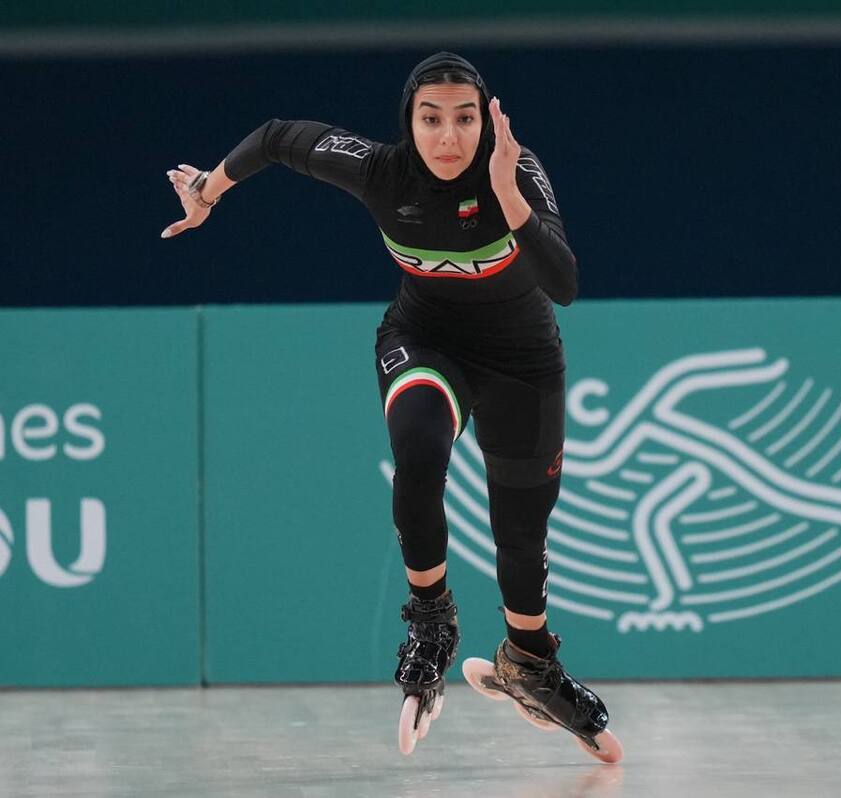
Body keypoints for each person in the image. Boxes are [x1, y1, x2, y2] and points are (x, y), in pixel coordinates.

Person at [163, 51, 620, 763]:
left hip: (523, 364)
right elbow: (278, 137)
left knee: (521, 531)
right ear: (409, 123)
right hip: (425, 340)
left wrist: (509, 195)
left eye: (464, 119)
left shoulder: (517, 170)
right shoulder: (380, 170)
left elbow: (563, 283)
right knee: (419, 449)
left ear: (485, 123)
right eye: (431, 119)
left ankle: (529, 660)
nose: (448, 136)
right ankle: (431, 619)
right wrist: (208, 190)